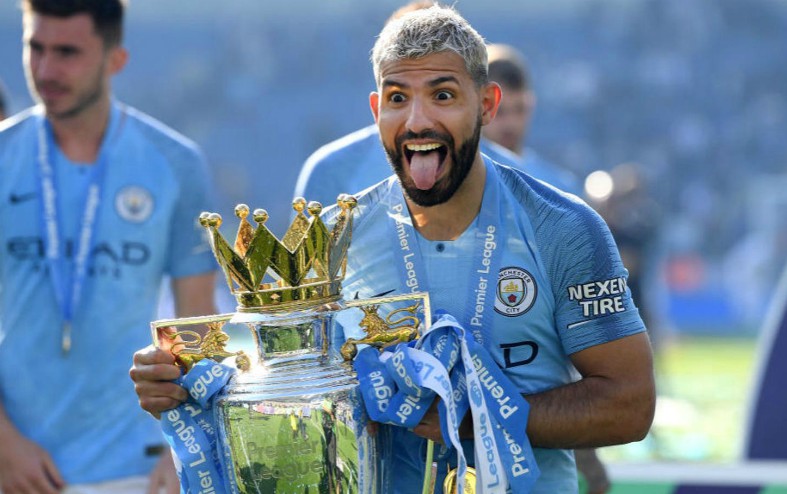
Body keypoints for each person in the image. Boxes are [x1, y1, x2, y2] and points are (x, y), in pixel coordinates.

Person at [131, 5, 655, 493]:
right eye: (398, 98)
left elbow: (629, 403)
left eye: (443, 95)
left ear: (487, 104)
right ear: (376, 108)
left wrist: (469, 417)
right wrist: (186, 385)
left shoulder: (561, 226)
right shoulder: (331, 238)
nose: (418, 121)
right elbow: (285, 385)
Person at [0, 1, 217, 493]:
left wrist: (186, 443)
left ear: (114, 59)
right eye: (35, 48)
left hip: (134, 467)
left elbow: (199, 323)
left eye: (67, 53)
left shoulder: (174, 162)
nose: (45, 69)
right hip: (16, 466)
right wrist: (3, 443)